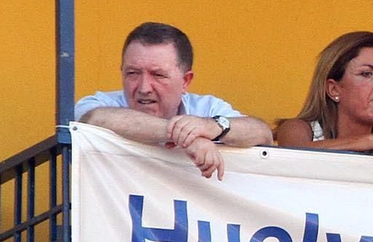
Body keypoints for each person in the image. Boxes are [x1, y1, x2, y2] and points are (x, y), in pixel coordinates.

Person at [75, 21, 273, 179]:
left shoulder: (206, 108)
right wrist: (186, 137)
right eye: (133, 73)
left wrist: (214, 127)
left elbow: (262, 134)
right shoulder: (100, 105)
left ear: (186, 81)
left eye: (158, 75)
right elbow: (94, 120)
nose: (144, 88)